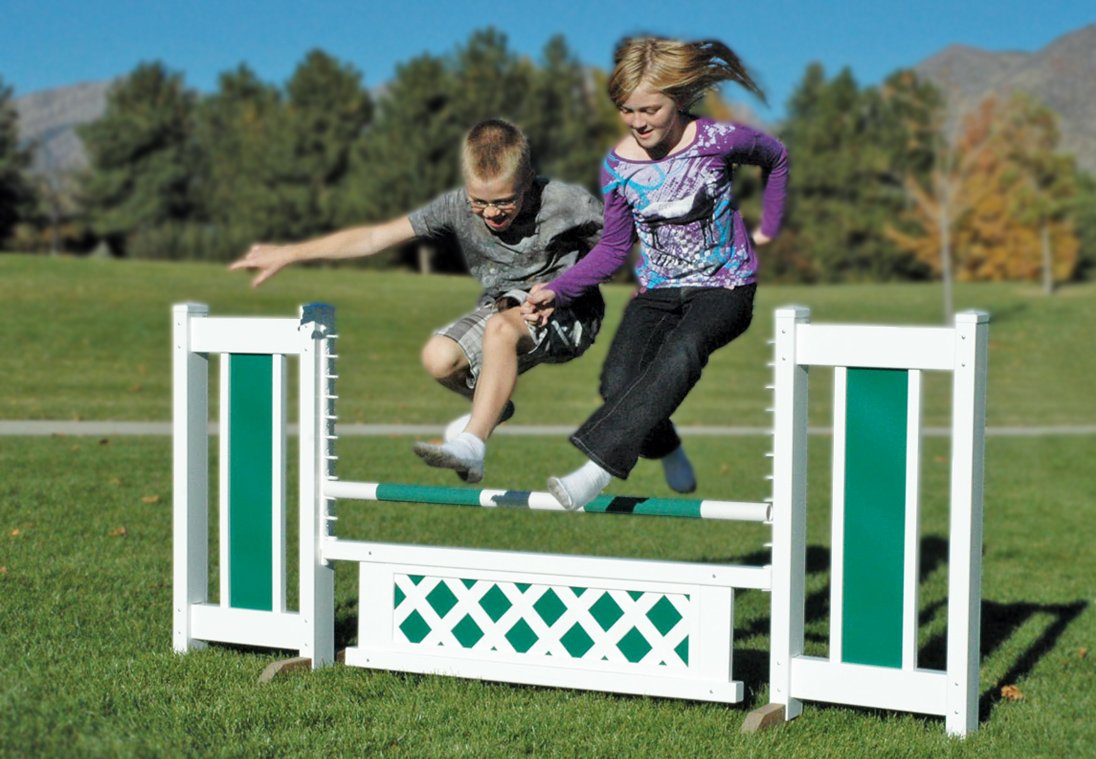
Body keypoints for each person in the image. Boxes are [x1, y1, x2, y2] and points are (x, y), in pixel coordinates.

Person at [230, 119, 604, 483]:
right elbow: (375, 237)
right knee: (439, 358)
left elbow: (619, 245)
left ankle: (472, 443)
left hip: (570, 313)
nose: (492, 213)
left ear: (528, 180)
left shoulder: (566, 202)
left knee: (501, 329)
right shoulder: (454, 206)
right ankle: (493, 409)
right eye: (480, 202)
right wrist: (291, 253)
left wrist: (570, 286)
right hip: (502, 308)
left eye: (504, 201)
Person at [524, 37, 790, 510]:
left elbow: (776, 157)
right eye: (627, 110)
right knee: (618, 384)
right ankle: (666, 447)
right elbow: (613, 247)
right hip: (658, 290)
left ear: (679, 99)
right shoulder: (617, 167)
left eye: (650, 109)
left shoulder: (717, 140)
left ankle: (596, 469)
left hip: (726, 287)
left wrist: (769, 224)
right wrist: (559, 291)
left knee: (685, 348)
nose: (639, 122)